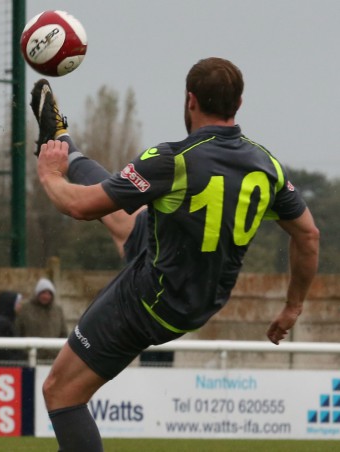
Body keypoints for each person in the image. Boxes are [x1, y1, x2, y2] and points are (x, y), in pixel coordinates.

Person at [29, 57, 320, 452]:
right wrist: (292, 306)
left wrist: (49, 174)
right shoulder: (267, 165)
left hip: (151, 299)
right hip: (201, 296)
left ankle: (62, 149)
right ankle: (64, 139)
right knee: (130, 219)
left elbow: (82, 207)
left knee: (60, 392)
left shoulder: (173, 159)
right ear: (239, 103)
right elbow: (308, 236)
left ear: (190, 101)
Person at [15, 278, 67, 363]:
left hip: (53, 359)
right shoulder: (26, 309)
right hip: (31, 358)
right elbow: (18, 331)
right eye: (43, 293)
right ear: (37, 294)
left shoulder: (58, 311)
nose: (46, 296)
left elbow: (63, 333)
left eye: (49, 293)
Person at [0, 291, 25, 365]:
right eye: (18, 303)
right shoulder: (3, 324)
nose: (20, 306)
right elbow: (4, 352)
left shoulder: (8, 321)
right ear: (10, 304)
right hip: (5, 369)